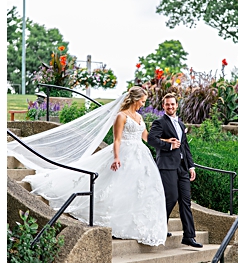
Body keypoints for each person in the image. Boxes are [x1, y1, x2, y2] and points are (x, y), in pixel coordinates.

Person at [21, 87, 169, 246]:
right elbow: (117, 140)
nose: (143, 104)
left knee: (137, 189)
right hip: (125, 153)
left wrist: (167, 142)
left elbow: (146, 137)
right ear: (134, 99)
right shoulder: (121, 116)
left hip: (140, 156)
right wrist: (117, 157)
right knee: (113, 186)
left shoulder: (139, 117)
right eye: (142, 100)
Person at [146, 93, 200, 248]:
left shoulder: (181, 125)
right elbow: (151, 140)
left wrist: (191, 166)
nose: (170, 107)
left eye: (172, 104)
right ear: (163, 106)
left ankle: (189, 236)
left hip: (182, 168)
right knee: (171, 198)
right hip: (166, 166)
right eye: (167, 104)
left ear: (177, 105)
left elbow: (185, 147)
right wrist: (169, 145)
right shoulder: (159, 122)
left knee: (186, 201)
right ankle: (159, 227)